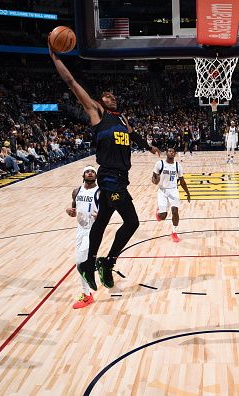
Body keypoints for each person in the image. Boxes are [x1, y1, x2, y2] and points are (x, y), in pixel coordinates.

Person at [49, 40, 160, 291]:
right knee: (132, 222)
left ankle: (88, 264)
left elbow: (133, 134)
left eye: (112, 95)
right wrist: (55, 58)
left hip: (121, 177)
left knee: (101, 224)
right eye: (106, 95)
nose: (110, 97)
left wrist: (149, 146)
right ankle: (106, 263)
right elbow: (72, 83)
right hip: (108, 176)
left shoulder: (122, 118)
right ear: (100, 101)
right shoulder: (97, 114)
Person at [66, 166, 100, 309]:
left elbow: (107, 213)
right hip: (80, 230)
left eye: (93, 171)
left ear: (96, 176)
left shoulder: (100, 192)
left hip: (92, 230)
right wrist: (70, 211)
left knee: (80, 262)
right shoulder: (76, 191)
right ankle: (88, 291)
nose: (90, 173)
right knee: (82, 262)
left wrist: (100, 216)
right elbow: (74, 210)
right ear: (83, 175)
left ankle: (87, 295)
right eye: (87, 171)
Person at [152, 147, 191, 242]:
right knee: (163, 216)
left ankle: (174, 232)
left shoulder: (178, 166)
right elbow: (153, 178)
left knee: (175, 211)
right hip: (162, 191)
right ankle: (159, 212)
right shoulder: (159, 164)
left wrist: (188, 193)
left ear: (175, 154)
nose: (171, 152)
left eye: (173, 151)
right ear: (166, 153)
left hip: (174, 190)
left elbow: (182, 181)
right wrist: (155, 180)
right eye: (169, 151)